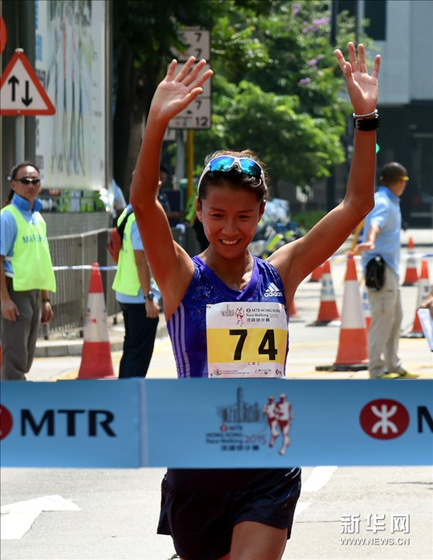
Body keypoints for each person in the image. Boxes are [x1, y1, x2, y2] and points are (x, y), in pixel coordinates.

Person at [130, 43, 380, 560]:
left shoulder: (279, 272)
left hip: (268, 466)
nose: (229, 229)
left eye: (243, 217)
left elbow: (358, 203)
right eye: (218, 215)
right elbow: (143, 202)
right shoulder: (181, 276)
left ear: (260, 215)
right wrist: (156, 124)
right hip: (197, 470)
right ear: (199, 211)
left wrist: (365, 119)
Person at [356, 163, 419, 379]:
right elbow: (375, 224)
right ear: (401, 181)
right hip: (381, 271)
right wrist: (371, 241)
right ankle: (376, 369)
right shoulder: (383, 202)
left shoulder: (389, 200)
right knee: (382, 320)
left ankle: (393, 365)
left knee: (395, 319)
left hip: (390, 270)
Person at [1, 162, 56, 381]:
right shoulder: (7, 217)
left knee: (26, 357)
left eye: (35, 180)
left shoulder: (38, 218)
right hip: (15, 292)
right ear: (14, 185)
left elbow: (40, 260)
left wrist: (45, 299)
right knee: (15, 358)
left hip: (34, 293)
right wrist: (4, 299)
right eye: (25, 180)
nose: (30, 185)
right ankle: (11, 407)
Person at [112, 203, 160, 378]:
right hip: (139, 295)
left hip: (126, 291)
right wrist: (149, 297)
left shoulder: (128, 212)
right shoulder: (140, 218)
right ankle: (131, 399)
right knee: (139, 354)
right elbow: (141, 260)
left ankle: (123, 395)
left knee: (131, 349)